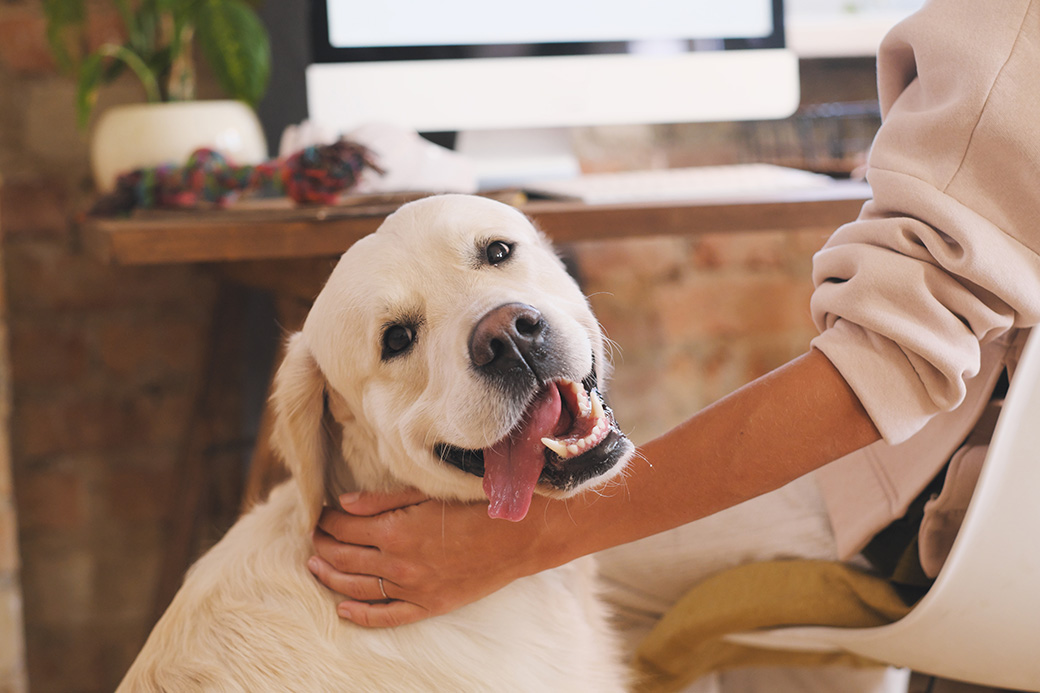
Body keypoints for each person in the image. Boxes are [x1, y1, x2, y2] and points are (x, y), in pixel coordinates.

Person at [305, 0, 1040, 690]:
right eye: (400, 336)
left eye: (499, 253)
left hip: (972, 509)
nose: (506, 325)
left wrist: (526, 545)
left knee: (580, 585)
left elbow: (887, 364)